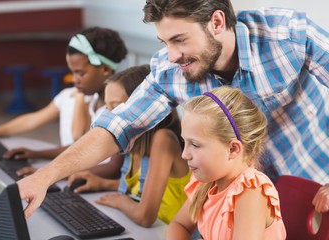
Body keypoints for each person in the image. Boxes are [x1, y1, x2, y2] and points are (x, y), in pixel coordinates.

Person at [17, 0, 329, 219]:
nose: (172, 55)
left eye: (179, 39)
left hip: (317, 187)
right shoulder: (170, 71)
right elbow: (116, 127)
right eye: (164, 41)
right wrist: (43, 178)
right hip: (236, 204)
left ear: (217, 22)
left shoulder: (287, 34)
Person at [0, 27, 127, 163]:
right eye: (72, 72)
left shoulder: (114, 108)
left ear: (105, 70)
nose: (74, 79)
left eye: (80, 73)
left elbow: (79, 141)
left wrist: (38, 155)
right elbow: (31, 120)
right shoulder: (68, 95)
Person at [67, 65, 190, 227]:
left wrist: (121, 201)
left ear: (145, 106)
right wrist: (103, 184)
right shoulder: (132, 141)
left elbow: (145, 217)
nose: (111, 116)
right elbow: (144, 188)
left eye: (117, 106)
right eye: (108, 108)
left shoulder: (163, 140)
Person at [166, 86, 286, 239]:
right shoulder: (206, 180)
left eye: (195, 145)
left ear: (233, 149)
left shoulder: (251, 192)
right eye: (185, 142)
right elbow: (179, 225)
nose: (184, 155)